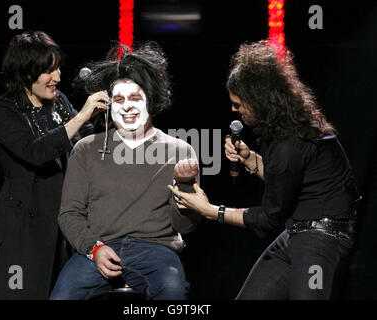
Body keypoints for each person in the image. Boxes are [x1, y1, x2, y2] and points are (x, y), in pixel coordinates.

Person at [169, 40, 360, 299]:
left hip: (321, 237)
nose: (234, 110)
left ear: (259, 100)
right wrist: (252, 160)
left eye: (238, 104)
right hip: (296, 231)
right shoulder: (285, 125)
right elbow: (286, 181)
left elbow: (269, 217)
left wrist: (211, 211)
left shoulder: (289, 144)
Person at [49, 43, 201, 300]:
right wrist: (94, 249)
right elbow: (69, 213)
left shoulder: (180, 151)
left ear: (150, 101)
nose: (127, 106)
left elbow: (184, 226)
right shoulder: (86, 149)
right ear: (109, 104)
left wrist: (185, 186)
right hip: (97, 248)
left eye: (135, 98)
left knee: (173, 292)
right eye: (119, 99)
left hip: (156, 249)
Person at [0, 31, 110, 299]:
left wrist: (101, 119)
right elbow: (35, 152)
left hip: (64, 221)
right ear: (26, 72)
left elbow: (82, 139)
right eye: (48, 71)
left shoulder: (58, 100)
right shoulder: (1, 111)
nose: (58, 77)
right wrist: (81, 117)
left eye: (57, 68)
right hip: (25, 228)